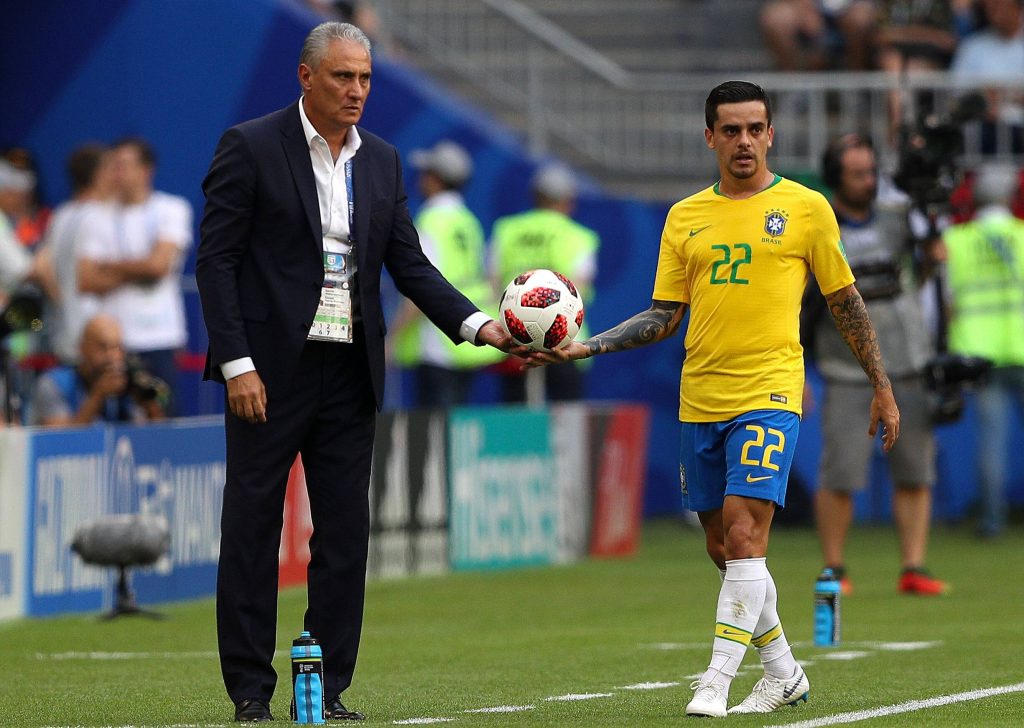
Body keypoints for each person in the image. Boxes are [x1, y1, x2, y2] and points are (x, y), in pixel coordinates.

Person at [521, 81, 900, 716]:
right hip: (701, 396)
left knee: (748, 533)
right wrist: (585, 348)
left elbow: (844, 302)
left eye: (755, 128)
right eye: (731, 130)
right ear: (711, 137)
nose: (744, 141)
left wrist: (882, 386)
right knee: (722, 546)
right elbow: (664, 315)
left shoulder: (806, 208)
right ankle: (783, 671)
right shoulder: (685, 216)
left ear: (771, 134)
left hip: (771, 389)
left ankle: (716, 680)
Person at [196, 22, 510, 723]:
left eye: (365, 78)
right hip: (269, 373)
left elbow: (411, 265)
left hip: (351, 370)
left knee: (344, 533)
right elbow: (214, 262)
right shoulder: (248, 147)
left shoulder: (384, 162)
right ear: (306, 77)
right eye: (343, 77)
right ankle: (250, 692)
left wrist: (479, 327)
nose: (357, 91)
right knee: (251, 527)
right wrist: (237, 362)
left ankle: (328, 687)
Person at [808, 134, 947, 596]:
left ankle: (914, 565)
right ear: (835, 178)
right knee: (841, 471)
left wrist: (932, 242)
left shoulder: (900, 217)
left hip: (906, 357)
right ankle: (835, 568)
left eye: (872, 172)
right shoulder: (818, 224)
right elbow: (803, 303)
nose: (869, 182)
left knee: (915, 468)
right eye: (857, 174)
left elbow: (930, 262)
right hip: (846, 368)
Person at [77, 137, 193, 414]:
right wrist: (140, 267)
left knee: (164, 417)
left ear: (146, 170)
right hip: (114, 342)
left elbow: (157, 267)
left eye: (124, 165)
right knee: (116, 421)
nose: (117, 173)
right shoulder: (94, 216)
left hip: (160, 338)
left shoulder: (172, 209)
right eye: (113, 166)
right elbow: (87, 280)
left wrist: (110, 266)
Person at [943, 162, 1024, 538]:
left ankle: (992, 520)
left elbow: (947, 301)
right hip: (1020, 347)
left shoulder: (957, 240)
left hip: (980, 352)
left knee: (992, 442)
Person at [390, 139, 502, 407]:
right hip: (469, 334)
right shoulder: (468, 220)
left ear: (436, 179)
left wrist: (391, 338)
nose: (421, 178)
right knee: (455, 423)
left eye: (427, 173)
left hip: (438, 340)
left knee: (434, 429)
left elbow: (420, 285)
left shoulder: (431, 220)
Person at [490, 162, 599, 402]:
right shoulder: (579, 236)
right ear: (568, 200)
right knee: (568, 417)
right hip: (567, 340)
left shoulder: (507, 230)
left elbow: (493, 283)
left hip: (515, 338)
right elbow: (580, 288)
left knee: (517, 420)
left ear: (535, 196)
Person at [34, 144, 116, 363]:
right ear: (99, 175)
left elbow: (41, 268)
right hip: (95, 338)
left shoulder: (61, 214)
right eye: (111, 169)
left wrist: (63, 303)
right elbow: (91, 276)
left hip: (62, 333)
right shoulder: (100, 216)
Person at [29, 314, 165, 426]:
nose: (112, 357)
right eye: (103, 347)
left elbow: (157, 440)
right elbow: (58, 443)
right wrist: (98, 395)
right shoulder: (53, 383)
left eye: (117, 348)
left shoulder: (126, 384)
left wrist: (149, 405)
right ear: (82, 348)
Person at [950, 0, 1024, 154]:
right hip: (985, 128)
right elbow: (955, 89)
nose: (994, 13)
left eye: (999, 6)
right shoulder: (972, 46)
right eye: (990, 8)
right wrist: (982, 101)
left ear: (1017, 8)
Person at [759, 0, 877, 71]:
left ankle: (855, 85)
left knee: (860, 19)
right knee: (776, 19)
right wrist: (805, 9)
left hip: (854, 7)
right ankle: (794, 85)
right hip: (805, 8)